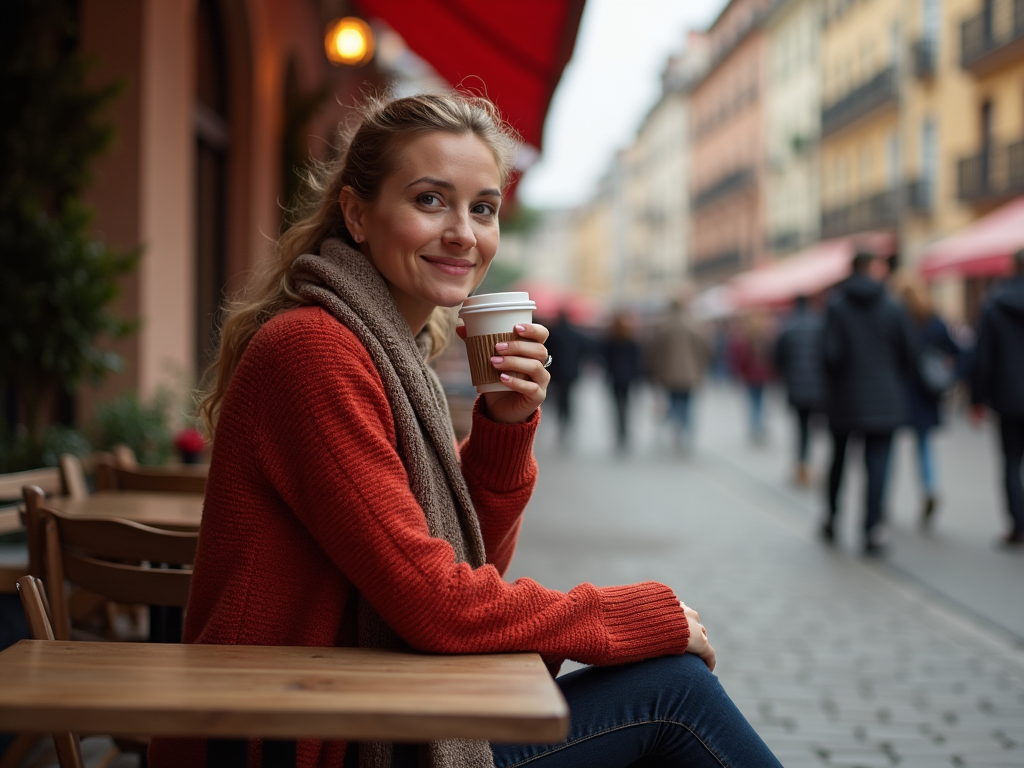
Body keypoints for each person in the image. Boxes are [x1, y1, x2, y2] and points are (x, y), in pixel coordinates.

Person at [148, 92, 780, 768]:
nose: (463, 232)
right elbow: (438, 605)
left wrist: (505, 427)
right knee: (673, 694)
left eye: (483, 208)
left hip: (352, 709)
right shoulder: (315, 351)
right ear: (357, 214)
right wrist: (630, 617)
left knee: (670, 693)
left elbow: (462, 567)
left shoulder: (387, 348)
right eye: (429, 200)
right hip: (292, 740)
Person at [821, 251, 914, 555]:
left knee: (839, 460)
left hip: (845, 398)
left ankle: (832, 518)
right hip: (885, 399)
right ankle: (871, 529)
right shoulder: (892, 306)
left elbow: (830, 354)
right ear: (873, 269)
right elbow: (909, 354)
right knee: (878, 465)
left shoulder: (836, 305)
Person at [895, 275, 961, 530]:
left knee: (887, 448)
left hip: (900, 391)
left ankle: (880, 502)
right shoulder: (933, 320)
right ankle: (930, 487)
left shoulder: (897, 318)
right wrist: (949, 376)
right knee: (923, 447)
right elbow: (960, 350)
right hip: (924, 393)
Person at [970, 247, 1024, 546]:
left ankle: (1018, 524)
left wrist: (977, 399)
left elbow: (984, 356)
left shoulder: (995, 303)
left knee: (1011, 462)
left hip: (1008, 395)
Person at [773, 295, 825, 486]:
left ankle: (802, 464)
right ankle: (807, 464)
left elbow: (777, 358)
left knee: (800, 427)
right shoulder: (819, 324)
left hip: (795, 386)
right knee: (813, 427)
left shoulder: (788, 326)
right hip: (817, 386)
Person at [648, 296, 711, 452]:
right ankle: (687, 433)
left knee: (674, 403)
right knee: (687, 404)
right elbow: (705, 349)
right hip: (691, 374)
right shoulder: (693, 325)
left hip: (668, 374)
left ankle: (677, 431)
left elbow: (654, 353)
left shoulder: (663, 326)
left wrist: (655, 371)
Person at [544, 309, 591, 446]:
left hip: (557, 372)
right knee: (569, 398)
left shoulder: (553, 334)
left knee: (559, 399)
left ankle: (561, 423)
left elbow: (547, 354)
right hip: (571, 372)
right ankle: (568, 422)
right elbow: (584, 350)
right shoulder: (575, 334)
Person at [729, 312, 775, 444]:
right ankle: (759, 425)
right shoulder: (765, 338)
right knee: (760, 401)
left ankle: (755, 426)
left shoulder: (745, 339)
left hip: (750, 375)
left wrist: (740, 372)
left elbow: (740, 359)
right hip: (763, 375)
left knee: (753, 401)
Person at [601, 311, 642, 452]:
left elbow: (604, 358)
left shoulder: (610, 340)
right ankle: (624, 428)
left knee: (616, 403)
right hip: (628, 377)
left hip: (614, 376)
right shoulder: (631, 341)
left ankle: (620, 428)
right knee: (627, 403)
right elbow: (637, 360)